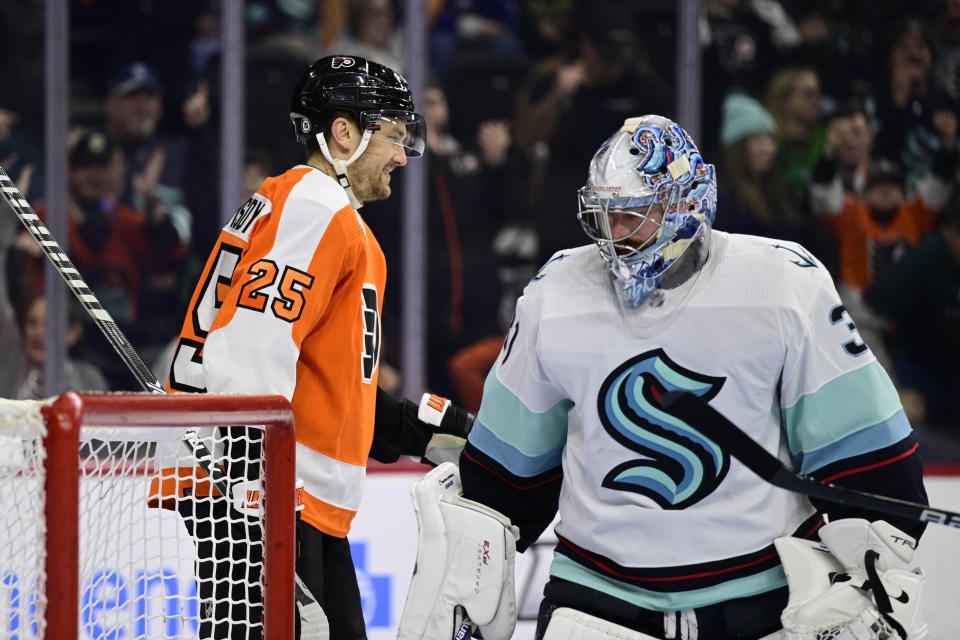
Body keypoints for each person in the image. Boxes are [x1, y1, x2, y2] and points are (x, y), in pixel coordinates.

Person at [453, 115, 929, 639]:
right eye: (605, 214)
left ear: (688, 203)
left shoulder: (781, 284)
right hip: (595, 603)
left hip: (761, 602)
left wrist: (878, 560)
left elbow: (867, 456)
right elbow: (503, 475)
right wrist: (469, 575)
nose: (614, 236)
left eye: (634, 214)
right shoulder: (556, 293)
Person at [162, 55, 473, 639]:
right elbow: (247, 353)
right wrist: (257, 505)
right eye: (393, 137)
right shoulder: (314, 207)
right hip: (266, 497)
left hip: (281, 494)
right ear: (344, 132)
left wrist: (419, 430)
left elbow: (323, 377)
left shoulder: (309, 209)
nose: (403, 156)